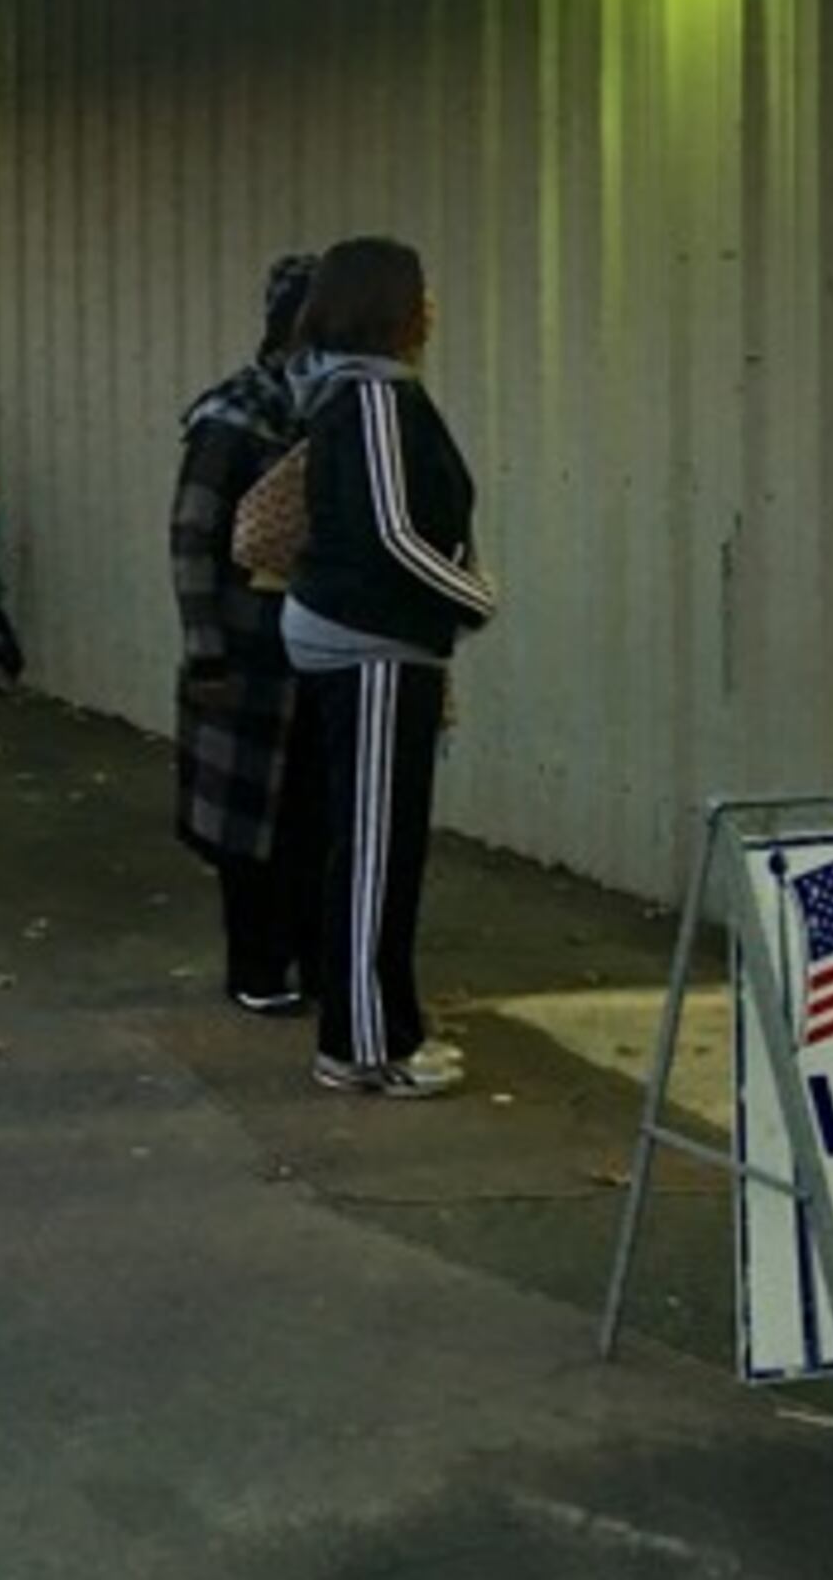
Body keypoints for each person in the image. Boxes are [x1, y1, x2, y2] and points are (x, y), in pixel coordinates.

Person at [284, 236, 494, 1098]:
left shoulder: (357, 393)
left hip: (367, 639)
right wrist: (472, 596)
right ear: (391, 307)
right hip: (371, 642)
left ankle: (381, 1024)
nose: (433, 306)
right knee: (377, 848)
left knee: (373, 840)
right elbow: (394, 532)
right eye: (422, 291)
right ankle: (364, 1043)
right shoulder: (374, 399)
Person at [172, 253, 326, 1015]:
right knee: (251, 823)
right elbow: (193, 537)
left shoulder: (337, 405)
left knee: (310, 811)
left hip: (317, 646)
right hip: (249, 645)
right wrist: (207, 649)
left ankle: (309, 954)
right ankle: (258, 965)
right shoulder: (233, 417)